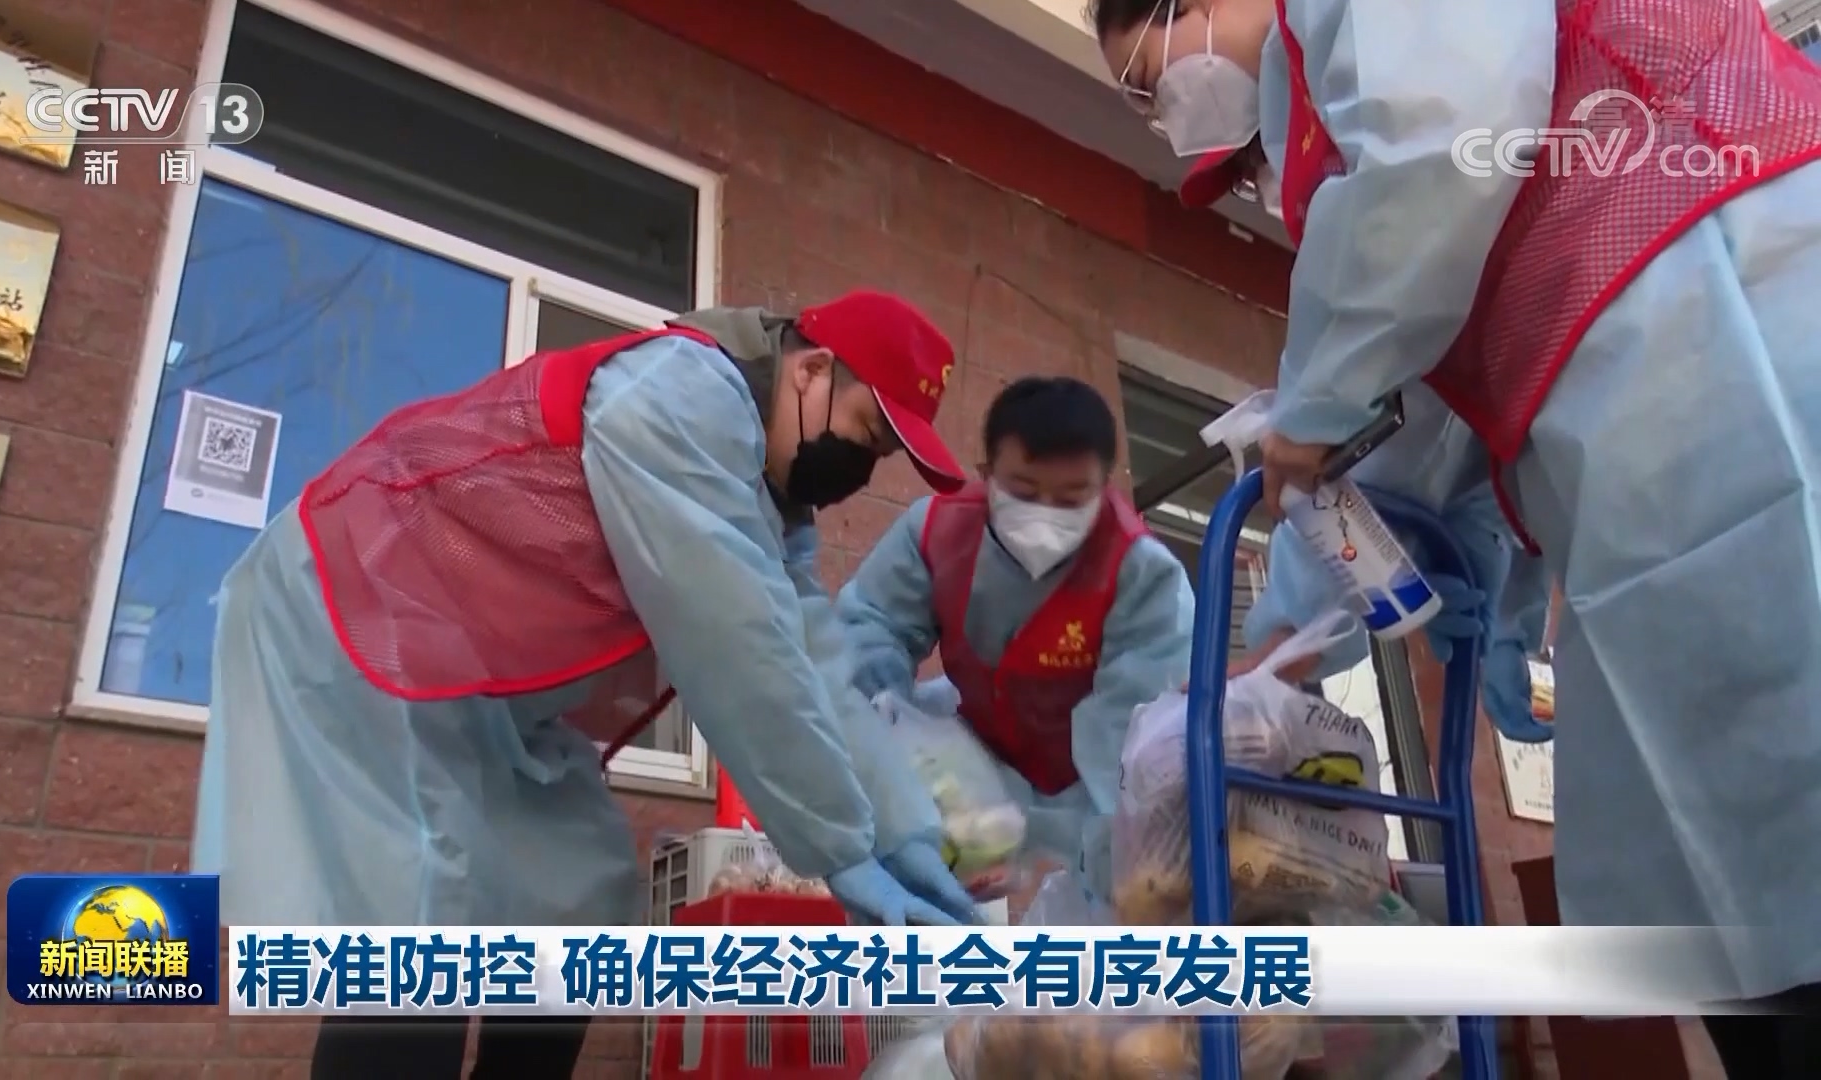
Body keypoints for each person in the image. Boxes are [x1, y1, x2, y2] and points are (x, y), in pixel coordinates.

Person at [1091, 0, 1821, 1072]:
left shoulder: (1382, 75)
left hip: (1745, 334)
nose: (1165, 116)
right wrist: (1290, 635)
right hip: (1671, 443)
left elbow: (1440, 145)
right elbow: (1417, 429)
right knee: (1749, 893)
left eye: (1147, 81)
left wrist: (1316, 400)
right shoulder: (1370, 174)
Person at [190, 290, 985, 1080]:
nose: (861, 468)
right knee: (423, 916)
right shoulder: (680, 394)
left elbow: (821, 673)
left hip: (478, 680)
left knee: (575, 892)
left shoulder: (773, 510)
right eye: (867, 432)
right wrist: (841, 849)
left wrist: (908, 838)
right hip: (364, 604)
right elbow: (742, 652)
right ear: (811, 371)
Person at [836, 376, 1193, 903]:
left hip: (1080, 780)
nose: (1045, 515)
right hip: (975, 748)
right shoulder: (937, 532)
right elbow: (869, 628)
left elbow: (1134, 742)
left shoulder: (1141, 573)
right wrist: (887, 743)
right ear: (987, 477)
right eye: (1024, 493)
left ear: (1105, 490)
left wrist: (1082, 851)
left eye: (1071, 499)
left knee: (1114, 890)